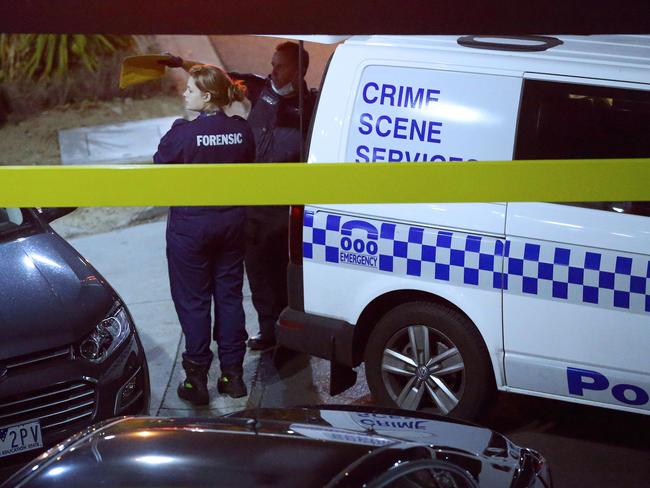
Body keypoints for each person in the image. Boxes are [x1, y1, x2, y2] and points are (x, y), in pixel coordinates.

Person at [163, 42, 317, 351]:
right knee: (256, 269)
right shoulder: (261, 87)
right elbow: (218, 76)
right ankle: (267, 330)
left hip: (287, 202)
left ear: (299, 70)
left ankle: (291, 336)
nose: (273, 70)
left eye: (281, 66)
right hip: (253, 199)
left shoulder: (311, 103)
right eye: (273, 64)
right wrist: (181, 61)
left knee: (285, 270)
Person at [153, 65, 255, 405]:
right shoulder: (242, 131)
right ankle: (233, 376)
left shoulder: (182, 134)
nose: (185, 94)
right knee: (229, 297)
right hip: (231, 225)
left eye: (191, 90)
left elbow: (160, 165)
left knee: (194, 302)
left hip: (190, 229)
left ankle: (196, 380)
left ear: (207, 96)